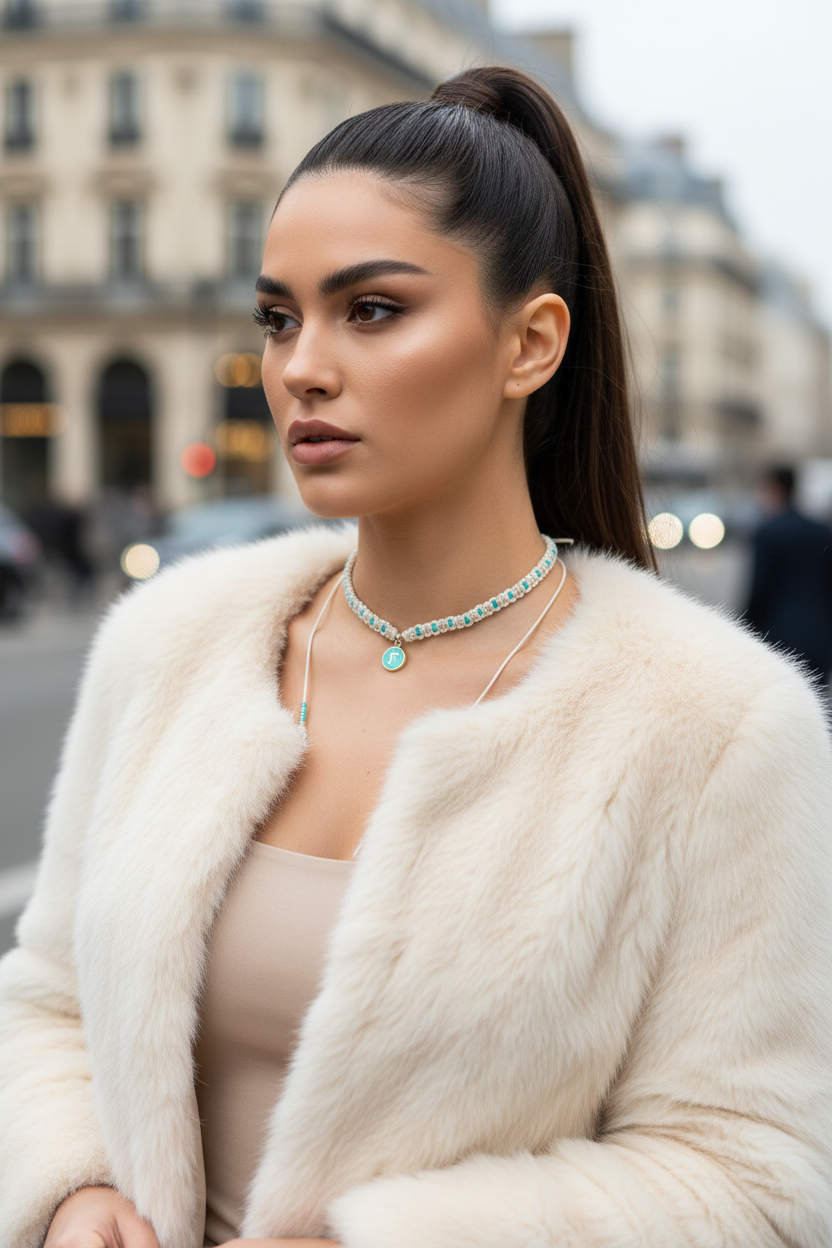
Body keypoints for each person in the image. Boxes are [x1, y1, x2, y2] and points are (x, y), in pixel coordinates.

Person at [2, 67, 831, 1248]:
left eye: (372, 310)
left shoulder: (715, 723)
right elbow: (49, 1005)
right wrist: (73, 1186)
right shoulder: (169, 646)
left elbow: (752, 1180)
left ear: (530, 343)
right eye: (279, 317)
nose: (300, 367)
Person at [745, 464, 832, 687]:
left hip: (779, 638)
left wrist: (745, 631)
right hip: (820, 637)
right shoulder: (821, 531)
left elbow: (759, 592)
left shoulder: (768, 532)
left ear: (775, 489)